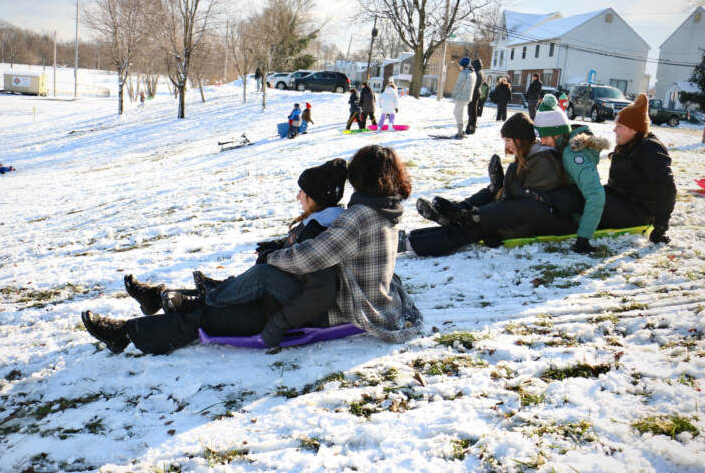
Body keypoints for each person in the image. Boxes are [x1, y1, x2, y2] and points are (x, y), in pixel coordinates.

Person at [81, 158, 351, 354]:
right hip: (271, 300)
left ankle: (125, 334)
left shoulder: (321, 234)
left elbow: (319, 295)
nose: (297, 196)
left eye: (303, 192)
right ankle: (158, 298)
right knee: (230, 288)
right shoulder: (317, 225)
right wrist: (277, 248)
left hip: (276, 313)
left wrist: (279, 323)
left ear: (317, 198)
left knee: (204, 316)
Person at [267, 145, 422, 342]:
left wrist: (271, 256)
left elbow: (309, 258)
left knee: (269, 292)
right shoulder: (388, 206)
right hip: (383, 299)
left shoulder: (358, 217)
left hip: (359, 307)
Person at [401, 113, 575, 256]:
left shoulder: (543, 161)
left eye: (508, 140)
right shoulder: (531, 156)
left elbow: (529, 208)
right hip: (512, 215)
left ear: (520, 140)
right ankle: (458, 212)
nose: (506, 146)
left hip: (532, 220)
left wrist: (498, 230)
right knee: (486, 200)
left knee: (468, 230)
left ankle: (413, 240)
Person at [534, 94, 610, 254]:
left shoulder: (572, 156)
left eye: (545, 137)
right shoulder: (561, 146)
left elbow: (596, 195)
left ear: (557, 133)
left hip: (577, 214)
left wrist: (583, 238)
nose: (543, 142)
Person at [598, 93, 677, 244]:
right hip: (619, 202)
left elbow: (667, 187)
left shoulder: (649, 149)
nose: (614, 130)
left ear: (634, 129)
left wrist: (661, 226)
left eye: (619, 127)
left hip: (637, 213)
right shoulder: (628, 145)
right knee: (585, 192)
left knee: (587, 199)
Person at [451, 57, 476, 139]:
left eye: (460, 65)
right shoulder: (473, 73)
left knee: (457, 113)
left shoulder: (464, 73)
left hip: (461, 96)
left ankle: (460, 132)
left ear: (464, 65)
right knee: (458, 112)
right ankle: (460, 131)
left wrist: (454, 95)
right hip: (468, 97)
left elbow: (458, 85)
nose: (459, 66)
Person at [465, 58, 484, 135]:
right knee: (472, 111)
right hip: (476, 92)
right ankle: (470, 127)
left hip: (474, 93)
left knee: (472, 111)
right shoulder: (480, 72)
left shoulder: (476, 72)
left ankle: (471, 128)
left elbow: (473, 83)